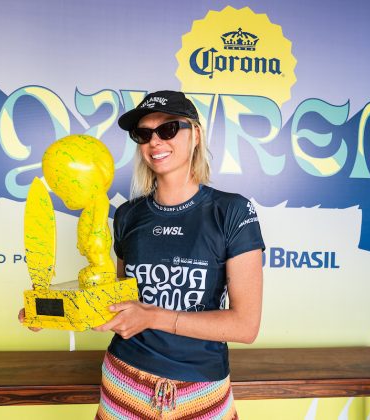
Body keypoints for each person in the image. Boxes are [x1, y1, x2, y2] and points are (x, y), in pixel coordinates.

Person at [92, 90, 265, 419]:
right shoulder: (128, 215)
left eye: (168, 129)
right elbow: (118, 304)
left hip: (201, 391)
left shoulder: (232, 211)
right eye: (144, 134)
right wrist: (54, 312)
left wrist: (153, 316)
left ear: (195, 134)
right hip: (124, 382)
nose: (155, 141)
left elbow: (245, 326)